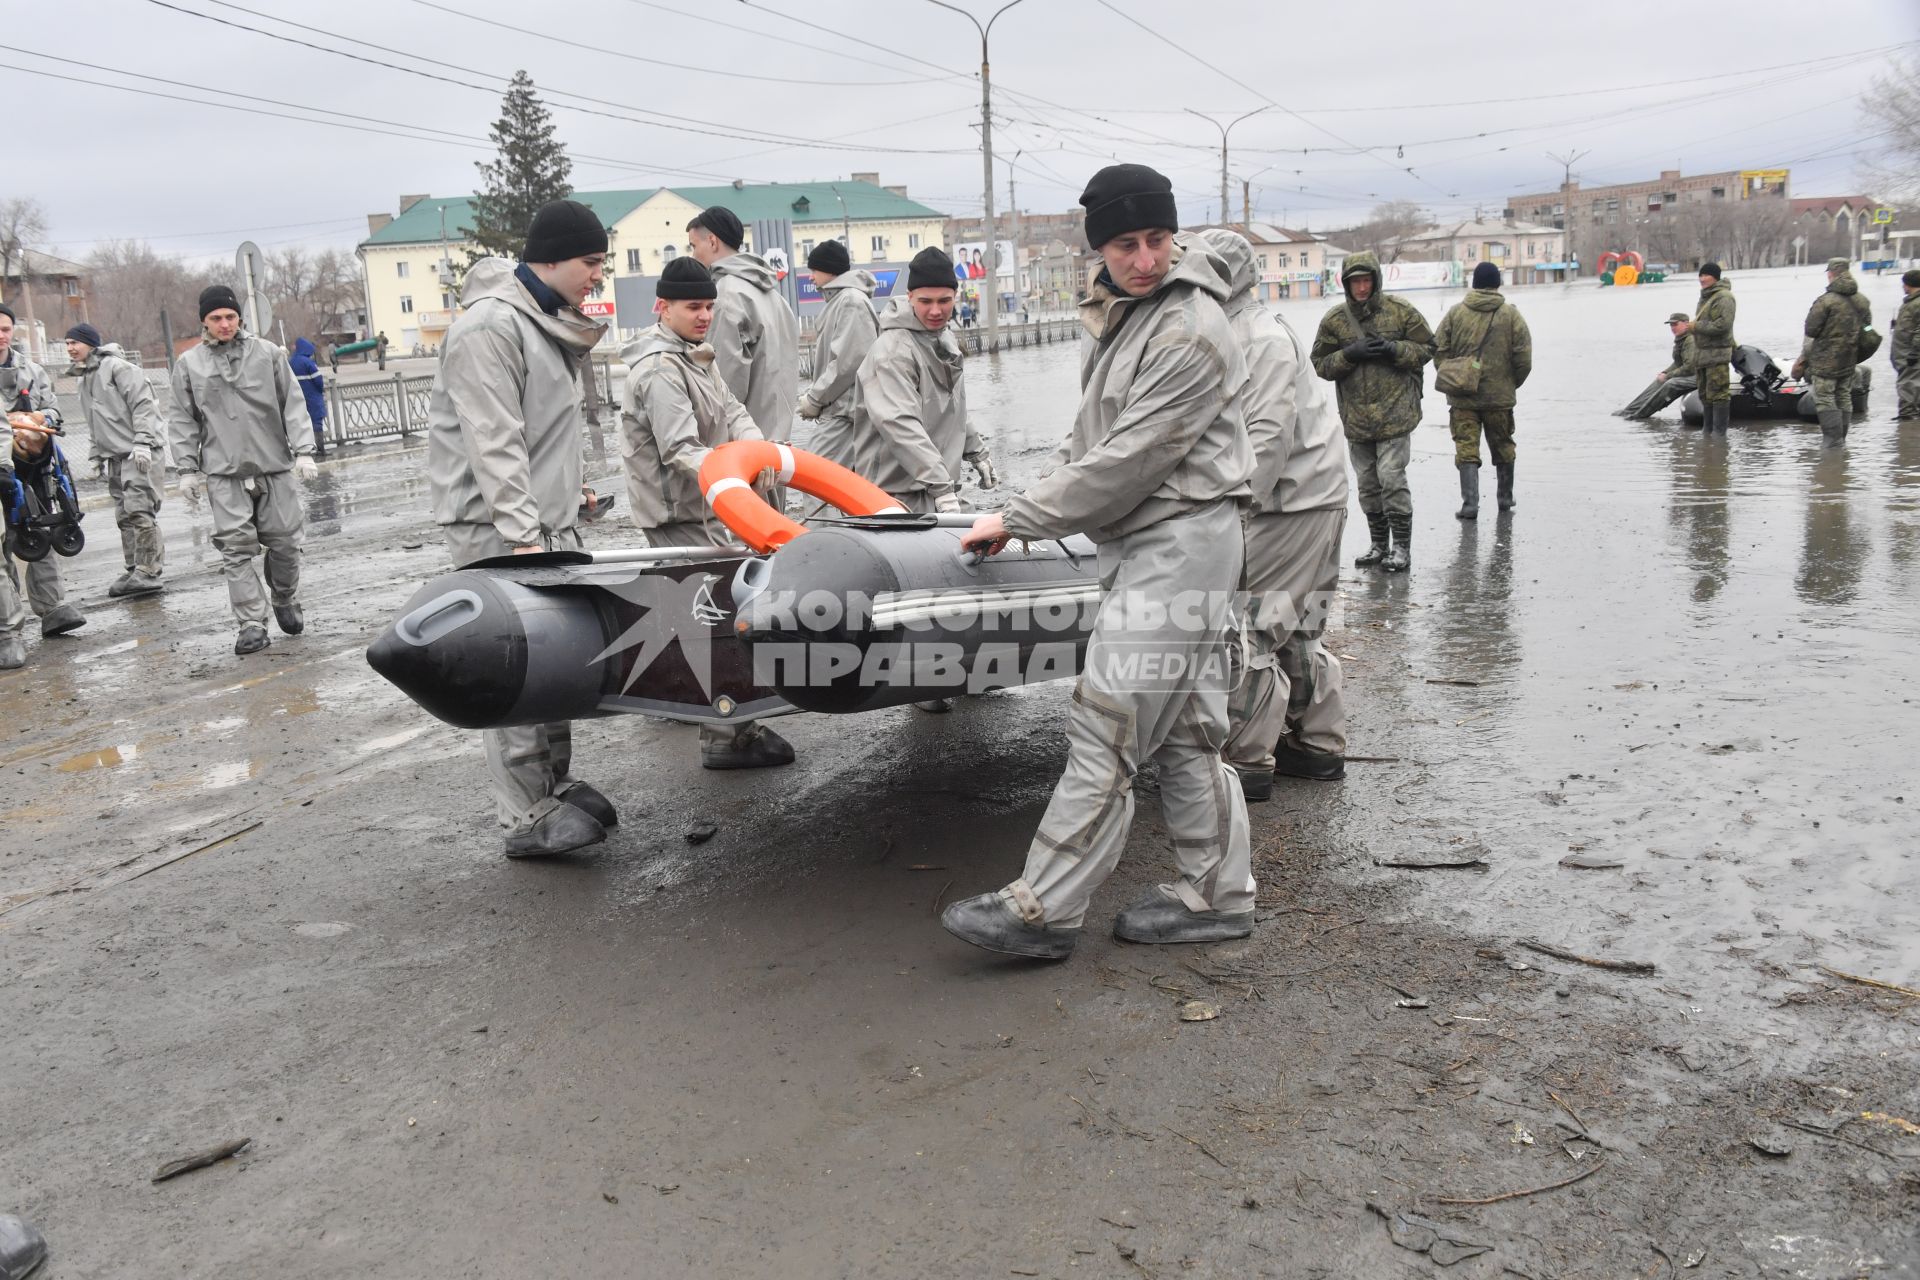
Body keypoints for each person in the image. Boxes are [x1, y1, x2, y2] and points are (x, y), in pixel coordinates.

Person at [941, 163, 1254, 961]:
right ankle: (1216, 897)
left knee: (1107, 720)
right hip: (1160, 541)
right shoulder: (1131, 317)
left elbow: (1129, 461)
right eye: (1126, 244)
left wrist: (1019, 519)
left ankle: (1042, 909)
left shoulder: (1186, 328)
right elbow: (1095, 442)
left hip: (1177, 542)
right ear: (1100, 250)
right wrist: (1031, 497)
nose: (1146, 258)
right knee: (1184, 730)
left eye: (1157, 240)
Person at [426, 198, 619, 858]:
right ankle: (521, 814)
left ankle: (550, 785)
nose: (598, 275)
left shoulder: (542, 324)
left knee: (553, 662)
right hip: (501, 530)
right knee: (514, 666)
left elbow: (547, 433)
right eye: (592, 263)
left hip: (544, 520)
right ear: (555, 257)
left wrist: (573, 493)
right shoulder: (489, 329)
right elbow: (495, 443)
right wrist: (523, 540)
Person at [619, 255, 795, 770]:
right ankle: (725, 736)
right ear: (662, 307)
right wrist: (732, 480)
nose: (703, 316)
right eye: (692, 307)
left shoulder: (696, 355)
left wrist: (757, 450)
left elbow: (733, 410)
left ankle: (712, 718)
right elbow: (679, 448)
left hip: (705, 506)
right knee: (716, 622)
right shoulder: (658, 369)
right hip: (679, 515)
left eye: (709, 307)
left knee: (707, 619)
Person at [1200, 229, 1351, 800]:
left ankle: (1246, 759)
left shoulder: (1254, 337)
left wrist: (1235, 511)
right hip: (1314, 494)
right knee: (1300, 622)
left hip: (1286, 502)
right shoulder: (1254, 329)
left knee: (1251, 626)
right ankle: (1315, 744)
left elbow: (1265, 436)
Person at [169, 285, 315, 655]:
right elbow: (183, 419)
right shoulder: (190, 365)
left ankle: (283, 596)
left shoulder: (266, 354)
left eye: (230, 317)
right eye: (216, 318)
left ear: (240, 318)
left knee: (285, 543)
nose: (224, 324)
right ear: (204, 320)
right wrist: (186, 468)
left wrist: (304, 451)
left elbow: (292, 403)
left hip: (273, 467)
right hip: (224, 472)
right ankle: (251, 623)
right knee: (235, 550)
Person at [1310, 251, 1434, 572]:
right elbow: (1320, 365)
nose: (1361, 288)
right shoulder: (1335, 321)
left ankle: (1402, 548)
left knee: (1392, 478)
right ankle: (1379, 544)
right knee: (1368, 484)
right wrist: (1349, 354)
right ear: (1346, 284)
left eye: (1366, 281)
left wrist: (1397, 350)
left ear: (1376, 280)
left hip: (1396, 414)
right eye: (1355, 282)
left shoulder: (1401, 312)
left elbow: (1429, 348)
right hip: (1357, 419)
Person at [856, 246, 994, 516]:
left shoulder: (944, 339)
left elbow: (953, 407)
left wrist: (977, 452)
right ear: (910, 297)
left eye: (944, 301)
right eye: (925, 301)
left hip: (935, 487)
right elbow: (900, 424)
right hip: (893, 495)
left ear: (956, 296)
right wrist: (942, 487)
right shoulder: (892, 351)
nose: (935, 310)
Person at [685, 206, 799, 489]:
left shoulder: (726, 293)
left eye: (693, 245)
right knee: (774, 531)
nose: (692, 255)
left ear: (712, 241)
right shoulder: (773, 294)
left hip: (743, 451)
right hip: (776, 442)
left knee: (742, 530)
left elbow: (724, 379)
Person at [0, 304, 87, 669]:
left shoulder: (31, 371)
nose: (0, 335)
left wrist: (37, 418)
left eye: (5, 328)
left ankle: (52, 608)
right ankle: (8, 628)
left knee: (40, 532)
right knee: (3, 544)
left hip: (31, 466)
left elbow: (54, 412)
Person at [66, 322, 166, 597]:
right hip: (115, 457)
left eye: (75, 342)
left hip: (138, 453)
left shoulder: (118, 368)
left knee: (139, 510)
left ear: (91, 344)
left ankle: (149, 570)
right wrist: (96, 454)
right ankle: (134, 567)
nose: (70, 348)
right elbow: (96, 420)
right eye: (67, 344)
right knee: (124, 515)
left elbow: (143, 404)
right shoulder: (85, 378)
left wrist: (143, 442)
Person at [1433, 262, 1532, 519]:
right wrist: (1510, 383)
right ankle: (1505, 499)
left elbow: (1439, 351)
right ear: (1498, 283)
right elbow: (1524, 359)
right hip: (1500, 398)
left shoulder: (1455, 314)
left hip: (1463, 397)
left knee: (1466, 447)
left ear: (1474, 284)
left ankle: (1470, 505)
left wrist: (1455, 378)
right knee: (1503, 446)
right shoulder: (1511, 315)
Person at [794, 239, 878, 479]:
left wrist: (814, 397)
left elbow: (848, 362)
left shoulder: (851, 301)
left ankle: (823, 520)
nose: (810, 277)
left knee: (816, 481)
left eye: (814, 270)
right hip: (843, 411)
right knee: (845, 486)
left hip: (846, 413)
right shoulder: (843, 300)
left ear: (829, 270)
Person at [1793, 257, 1873, 447]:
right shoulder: (1862, 300)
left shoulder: (1825, 301)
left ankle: (1831, 441)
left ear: (1831, 274)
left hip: (1825, 361)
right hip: (1849, 358)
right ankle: (1841, 441)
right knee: (1844, 395)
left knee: (1825, 398)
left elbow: (1811, 330)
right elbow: (1868, 327)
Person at [1618, 313, 1697, 420]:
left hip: (1699, 376)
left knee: (1671, 383)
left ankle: (1640, 414)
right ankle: (1630, 410)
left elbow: (1689, 368)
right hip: (1690, 373)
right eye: (1671, 325)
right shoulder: (1681, 339)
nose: (1673, 328)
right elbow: (1678, 363)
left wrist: (1668, 376)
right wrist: (1665, 372)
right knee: (1659, 380)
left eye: (1675, 324)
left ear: (1686, 323)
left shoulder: (1690, 340)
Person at [1692, 263, 1736, 435]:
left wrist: (1695, 327)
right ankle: (1708, 432)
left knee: (1719, 395)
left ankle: (1719, 437)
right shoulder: (1705, 297)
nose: (1702, 279)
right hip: (1702, 355)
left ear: (1715, 277)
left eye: (1706, 275)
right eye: (1700, 275)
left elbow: (1722, 325)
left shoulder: (1724, 297)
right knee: (1705, 394)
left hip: (1717, 355)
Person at [288, 337, 330, 459]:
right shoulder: (308, 363)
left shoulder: (291, 362)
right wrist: (320, 390)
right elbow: (318, 381)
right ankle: (320, 449)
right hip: (312, 397)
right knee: (316, 423)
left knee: (300, 424)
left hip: (297, 398)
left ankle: (302, 450)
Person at [1894, 268, 1920, 422]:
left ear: (1908, 284)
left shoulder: (1916, 303)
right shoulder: (1911, 302)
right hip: (1904, 354)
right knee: (1911, 386)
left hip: (1911, 355)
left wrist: (1915, 352)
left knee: (1907, 386)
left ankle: (1906, 421)